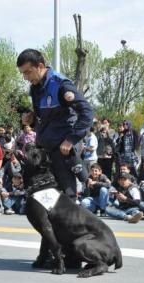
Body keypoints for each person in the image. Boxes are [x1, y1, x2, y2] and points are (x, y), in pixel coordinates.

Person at [17, 48, 94, 200]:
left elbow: (87, 113)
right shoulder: (35, 87)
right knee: (47, 197)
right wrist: (31, 120)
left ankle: (73, 224)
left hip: (62, 150)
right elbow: (45, 118)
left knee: (67, 198)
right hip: (45, 150)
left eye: (28, 72)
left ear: (40, 66)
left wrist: (71, 139)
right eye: (23, 74)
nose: (25, 77)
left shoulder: (61, 85)